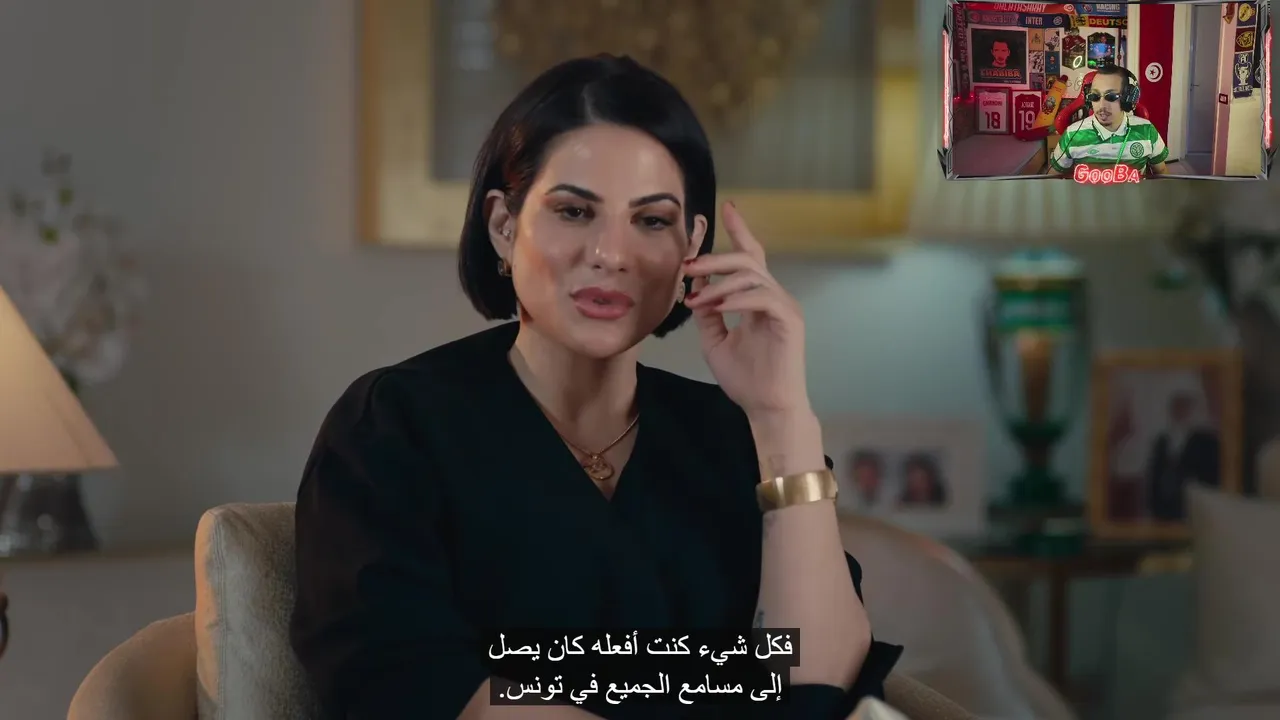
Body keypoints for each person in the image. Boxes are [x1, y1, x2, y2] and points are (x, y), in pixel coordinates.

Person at [289, 54, 902, 720]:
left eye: (652, 221)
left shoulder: (735, 436)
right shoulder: (395, 423)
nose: (611, 254)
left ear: (691, 246)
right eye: (575, 211)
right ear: (502, 226)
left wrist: (783, 416)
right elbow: (404, 678)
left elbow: (819, 682)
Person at [1048, 64, 1170, 177]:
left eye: (1111, 97)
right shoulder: (1072, 135)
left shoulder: (1147, 130)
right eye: (1095, 96)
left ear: (1128, 99)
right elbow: (1052, 179)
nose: (1101, 106)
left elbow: (1161, 173)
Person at [1146, 391, 1221, 521]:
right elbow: (1154, 475)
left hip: (1192, 507)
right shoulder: (1161, 441)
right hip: (1164, 509)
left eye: (1184, 407)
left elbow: (1211, 475)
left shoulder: (1206, 441)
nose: (1180, 412)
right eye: (1177, 407)